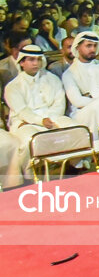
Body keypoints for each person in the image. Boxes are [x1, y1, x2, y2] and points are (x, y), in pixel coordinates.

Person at [3, 45, 76, 187]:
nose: (35, 63)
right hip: (25, 122)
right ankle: (30, 179)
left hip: (53, 118)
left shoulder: (53, 79)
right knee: (29, 141)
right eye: (31, 60)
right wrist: (41, 121)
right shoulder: (13, 86)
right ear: (22, 62)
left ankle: (72, 169)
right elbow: (22, 111)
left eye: (38, 59)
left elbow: (59, 104)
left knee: (76, 130)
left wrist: (50, 120)